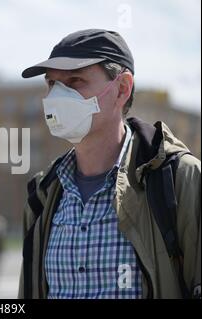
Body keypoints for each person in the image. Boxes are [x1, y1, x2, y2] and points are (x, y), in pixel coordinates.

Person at [18, 29, 201, 299]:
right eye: (52, 84)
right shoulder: (42, 195)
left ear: (122, 89)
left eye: (75, 81)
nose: (57, 97)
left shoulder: (179, 180)